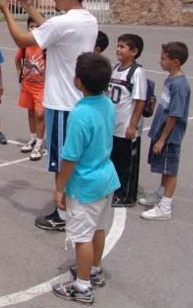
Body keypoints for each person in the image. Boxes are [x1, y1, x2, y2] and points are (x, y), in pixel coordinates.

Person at [0, 0, 98, 231]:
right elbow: (51, 31)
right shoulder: (87, 19)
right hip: (79, 103)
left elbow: (21, 39)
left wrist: (5, 9)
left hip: (62, 105)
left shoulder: (63, 23)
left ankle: (63, 214)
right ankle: (73, 208)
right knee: (75, 160)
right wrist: (27, 6)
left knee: (62, 163)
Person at [51, 52, 120, 305]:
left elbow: (70, 157)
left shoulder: (80, 114)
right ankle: (94, 269)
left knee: (82, 237)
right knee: (98, 228)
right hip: (106, 178)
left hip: (86, 184)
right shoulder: (107, 104)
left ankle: (82, 285)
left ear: (79, 81)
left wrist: (60, 189)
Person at [139, 42, 190, 221]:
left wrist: (162, 139)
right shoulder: (171, 79)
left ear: (176, 61)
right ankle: (161, 195)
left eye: (163, 58)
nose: (160, 61)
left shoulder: (179, 85)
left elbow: (175, 114)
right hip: (161, 132)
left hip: (169, 136)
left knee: (170, 169)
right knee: (164, 167)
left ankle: (165, 206)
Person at [109, 34, 147, 207]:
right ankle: (117, 189)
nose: (118, 49)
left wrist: (132, 125)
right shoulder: (116, 68)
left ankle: (128, 195)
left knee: (127, 164)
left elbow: (140, 100)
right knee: (115, 159)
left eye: (123, 47)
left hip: (126, 127)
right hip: (114, 125)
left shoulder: (137, 72)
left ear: (134, 52)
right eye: (118, 45)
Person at [15, 16, 46, 161]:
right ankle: (32, 137)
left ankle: (39, 143)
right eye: (31, 26)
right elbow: (17, 60)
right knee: (31, 112)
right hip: (28, 84)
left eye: (37, 26)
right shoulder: (25, 46)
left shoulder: (45, 46)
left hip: (41, 86)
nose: (34, 29)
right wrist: (20, 76)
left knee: (40, 114)